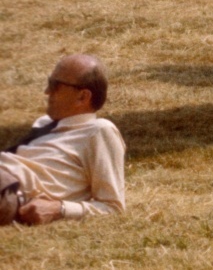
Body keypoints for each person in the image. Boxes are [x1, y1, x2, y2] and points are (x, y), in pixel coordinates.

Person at [0, 54, 126, 227]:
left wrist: (59, 208)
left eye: (55, 85)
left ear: (82, 97)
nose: (47, 91)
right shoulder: (44, 124)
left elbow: (112, 208)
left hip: (9, 190)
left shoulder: (99, 131)